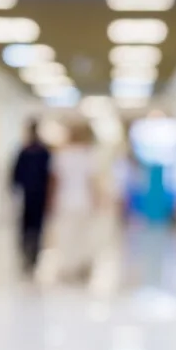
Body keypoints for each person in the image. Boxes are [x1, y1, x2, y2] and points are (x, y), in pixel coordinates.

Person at [51, 121, 104, 282]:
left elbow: (56, 180)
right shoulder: (88, 155)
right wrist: (97, 199)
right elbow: (92, 181)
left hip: (65, 199)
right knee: (83, 233)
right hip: (83, 200)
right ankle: (82, 265)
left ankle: (67, 265)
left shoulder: (62, 155)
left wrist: (52, 199)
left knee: (66, 233)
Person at [9, 119, 52, 275]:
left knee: (30, 224)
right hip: (33, 194)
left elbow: (16, 174)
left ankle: (31, 252)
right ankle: (29, 252)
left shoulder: (34, 151)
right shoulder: (35, 151)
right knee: (31, 224)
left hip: (33, 194)